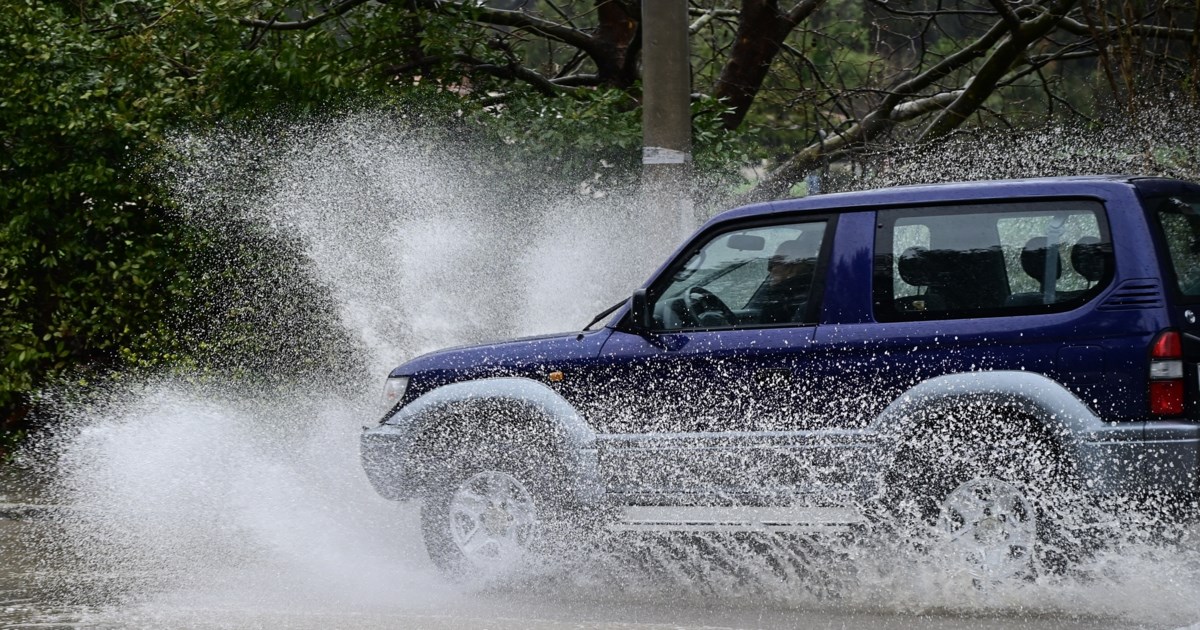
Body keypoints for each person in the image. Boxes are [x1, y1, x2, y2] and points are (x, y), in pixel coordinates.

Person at [747, 233, 820, 324]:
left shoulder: (784, 300)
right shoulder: (813, 291)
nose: (770, 269)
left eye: (775, 262)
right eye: (770, 262)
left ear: (792, 267)